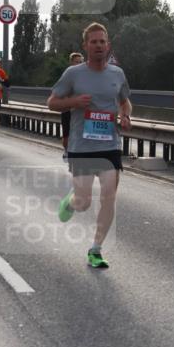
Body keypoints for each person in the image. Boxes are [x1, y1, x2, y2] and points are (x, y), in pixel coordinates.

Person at [47, 23, 132, 268]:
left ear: (108, 46)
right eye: (93, 42)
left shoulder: (117, 74)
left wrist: (126, 116)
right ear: (85, 46)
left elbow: (125, 102)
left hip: (110, 144)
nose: (98, 46)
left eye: (102, 42)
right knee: (84, 202)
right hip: (82, 146)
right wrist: (74, 101)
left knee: (109, 195)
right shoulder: (73, 74)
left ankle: (96, 249)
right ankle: (72, 201)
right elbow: (52, 102)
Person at [60, 52, 85, 158]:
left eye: (81, 62)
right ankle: (66, 150)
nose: (79, 64)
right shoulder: (66, 76)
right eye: (76, 62)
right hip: (67, 109)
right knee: (67, 135)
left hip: (80, 111)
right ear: (71, 63)